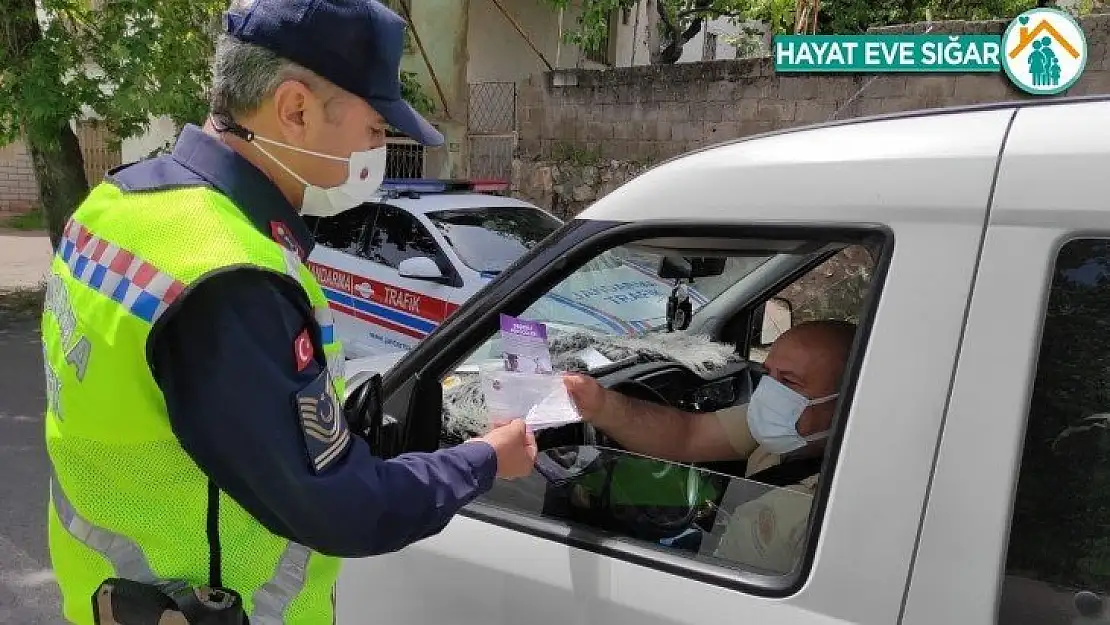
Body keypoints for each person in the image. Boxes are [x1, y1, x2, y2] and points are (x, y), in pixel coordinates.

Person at [41, 1, 535, 623]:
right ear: (295, 109)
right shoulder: (229, 277)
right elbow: (341, 507)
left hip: (108, 593)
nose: (380, 149)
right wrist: (485, 459)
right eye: (377, 129)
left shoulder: (118, 203)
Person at [562, 319, 856, 570]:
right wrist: (600, 406)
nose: (771, 392)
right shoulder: (781, 429)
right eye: (768, 375)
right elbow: (687, 435)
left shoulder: (844, 513)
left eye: (789, 382)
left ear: (848, 400)